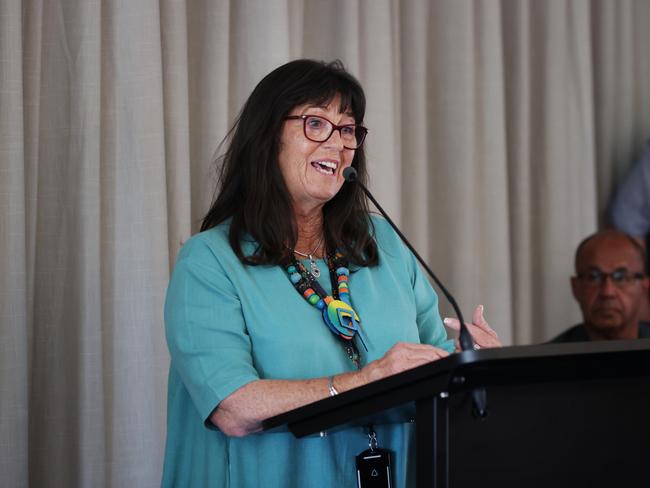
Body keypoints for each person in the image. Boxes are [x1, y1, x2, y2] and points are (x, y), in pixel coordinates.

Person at [162, 59, 500, 487]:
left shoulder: (384, 245)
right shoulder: (209, 261)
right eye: (315, 124)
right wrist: (363, 382)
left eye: (347, 130)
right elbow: (233, 409)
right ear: (267, 137)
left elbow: (433, 376)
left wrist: (475, 369)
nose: (338, 143)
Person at [550, 230, 650, 343]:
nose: (607, 292)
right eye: (593, 277)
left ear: (644, 286)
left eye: (621, 277)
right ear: (575, 288)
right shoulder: (546, 359)